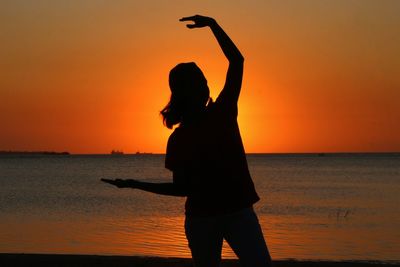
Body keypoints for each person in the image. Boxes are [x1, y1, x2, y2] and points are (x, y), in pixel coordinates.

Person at [102, 15, 272, 267]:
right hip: (203, 219)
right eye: (199, 82)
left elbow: (237, 61)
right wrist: (134, 184)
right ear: (186, 92)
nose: (206, 85)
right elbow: (183, 189)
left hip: (238, 213)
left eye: (204, 80)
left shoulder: (222, 112)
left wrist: (214, 25)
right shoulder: (182, 137)